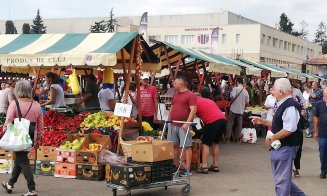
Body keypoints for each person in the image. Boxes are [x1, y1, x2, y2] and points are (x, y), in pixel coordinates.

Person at [251, 78, 305, 196]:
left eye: (273, 89)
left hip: (286, 146)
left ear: (281, 92)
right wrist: (263, 121)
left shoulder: (290, 105)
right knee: (281, 179)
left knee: (281, 181)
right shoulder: (283, 104)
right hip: (281, 146)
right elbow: (281, 124)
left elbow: (289, 129)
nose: (271, 92)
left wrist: (272, 138)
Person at [2, 80, 44, 196]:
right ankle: (10, 184)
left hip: (18, 138)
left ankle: (32, 189)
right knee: (20, 160)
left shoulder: (14, 104)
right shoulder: (36, 105)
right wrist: (39, 138)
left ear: (17, 91)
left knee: (23, 162)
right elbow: (40, 125)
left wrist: (5, 134)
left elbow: (8, 122)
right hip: (30, 137)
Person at [168, 76, 197, 176]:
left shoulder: (190, 95)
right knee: (174, 145)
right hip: (173, 123)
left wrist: (187, 123)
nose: (173, 85)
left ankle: (187, 168)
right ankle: (175, 165)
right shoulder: (175, 95)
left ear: (180, 84)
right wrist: (169, 120)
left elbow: (193, 110)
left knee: (186, 146)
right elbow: (172, 107)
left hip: (184, 125)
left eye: (175, 83)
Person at [195, 88, 226, 174]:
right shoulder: (209, 100)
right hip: (223, 120)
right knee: (215, 143)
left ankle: (204, 166)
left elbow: (191, 115)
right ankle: (215, 165)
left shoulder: (195, 102)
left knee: (206, 143)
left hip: (212, 121)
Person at [225, 78, 249, 142]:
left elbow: (232, 97)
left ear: (237, 82)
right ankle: (237, 139)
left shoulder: (235, 88)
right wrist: (243, 107)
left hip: (233, 109)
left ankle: (227, 138)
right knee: (239, 125)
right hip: (241, 110)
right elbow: (247, 102)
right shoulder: (246, 91)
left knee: (230, 123)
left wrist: (230, 102)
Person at [314, 87, 327, 179]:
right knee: (322, 153)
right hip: (322, 133)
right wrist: (315, 131)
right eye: (325, 94)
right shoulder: (319, 104)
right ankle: (323, 170)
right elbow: (316, 118)